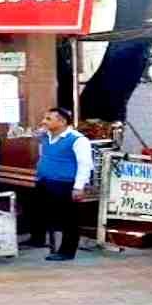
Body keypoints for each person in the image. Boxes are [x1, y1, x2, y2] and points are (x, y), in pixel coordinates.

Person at [26, 107, 93, 261]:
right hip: (45, 181)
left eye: (49, 119)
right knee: (37, 211)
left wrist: (78, 187)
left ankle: (67, 251)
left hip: (65, 184)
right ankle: (38, 239)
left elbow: (85, 164)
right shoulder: (46, 136)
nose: (44, 122)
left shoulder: (77, 139)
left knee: (69, 219)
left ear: (62, 122)